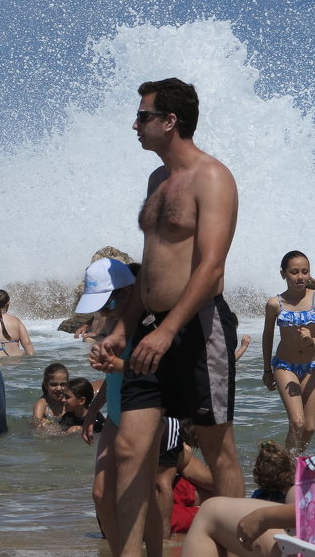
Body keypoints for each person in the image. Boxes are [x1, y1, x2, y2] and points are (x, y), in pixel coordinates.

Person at [97, 78, 243, 557]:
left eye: (142, 116)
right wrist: (123, 326)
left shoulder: (213, 177)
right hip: (150, 329)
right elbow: (152, 266)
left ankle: (239, 547)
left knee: (217, 449)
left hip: (198, 328)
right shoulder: (157, 181)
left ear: (169, 121)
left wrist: (169, 329)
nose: (135, 124)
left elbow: (211, 267)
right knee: (128, 450)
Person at [261, 250, 315, 452]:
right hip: (285, 366)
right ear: (283, 274)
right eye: (294, 272)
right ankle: (287, 469)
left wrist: (313, 341)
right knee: (298, 422)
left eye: (305, 271)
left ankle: (291, 459)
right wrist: (267, 370)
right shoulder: (274, 303)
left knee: (309, 427)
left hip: (310, 368)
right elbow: (267, 337)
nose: (300, 277)